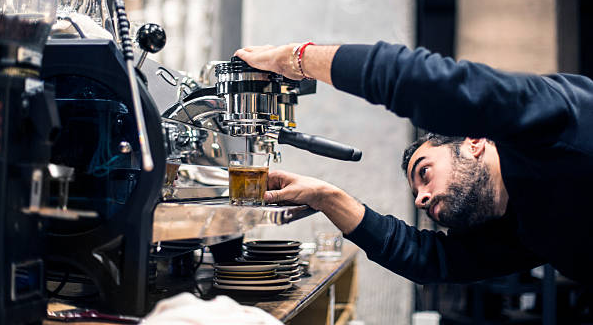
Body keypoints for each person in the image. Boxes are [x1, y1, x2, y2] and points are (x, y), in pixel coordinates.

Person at [233, 41, 593, 284]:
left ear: (475, 142)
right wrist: (325, 196)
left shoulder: (556, 117)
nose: (421, 199)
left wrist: (295, 58)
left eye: (425, 172)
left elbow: (425, 83)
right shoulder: (522, 229)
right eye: (419, 190)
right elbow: (432, 260)